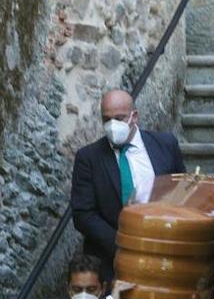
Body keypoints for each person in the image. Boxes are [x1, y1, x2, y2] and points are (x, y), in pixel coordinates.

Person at [70, 89, 185, 277]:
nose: (112, 125)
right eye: (106, 119)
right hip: (112, 260)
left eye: (119, 118)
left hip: (164, 252)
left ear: (135, 116)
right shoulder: (88, 158)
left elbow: (180, 193)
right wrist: (123, 246)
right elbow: (83, 214)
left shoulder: (165, 145)